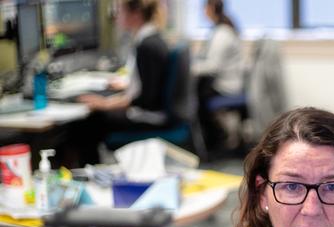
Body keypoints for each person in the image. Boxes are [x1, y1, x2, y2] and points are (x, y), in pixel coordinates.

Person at [67, 0, 169, 166]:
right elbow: (147, 86)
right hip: (153, 112)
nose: (116, 16)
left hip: (149, 117)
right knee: (92, 120)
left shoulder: (147, 46)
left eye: (120, 11)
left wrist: (105, 103)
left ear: (135, 14)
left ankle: (91, 174)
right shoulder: (150, 38)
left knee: (84, 125)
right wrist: (125, 88)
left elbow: (145, 99)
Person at [192, 0, 244, 148]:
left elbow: (212, 66)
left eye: (205, 8)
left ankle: (212, 141)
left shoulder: (222, 33)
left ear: (212, 8)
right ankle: (213, 138)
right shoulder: (219, 30)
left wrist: (189, 68)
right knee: (198, 93)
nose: (203, 11)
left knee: (196, 99)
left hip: (227, 86)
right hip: (224, 82)